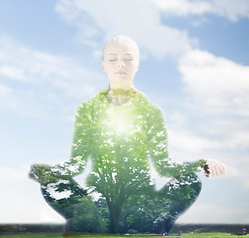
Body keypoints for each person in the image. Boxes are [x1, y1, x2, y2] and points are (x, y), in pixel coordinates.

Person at [29, 34, 226, 234]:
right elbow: (78, 162)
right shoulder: (87, 109)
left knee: (189, 181)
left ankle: (140, 222)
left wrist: (199, 164)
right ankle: (106, 221)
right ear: (104, 65)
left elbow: (163, 165)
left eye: (128, 59)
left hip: (140, 197)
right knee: (54, 184)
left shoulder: (151, 112)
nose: (120, 65)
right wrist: (50, 173)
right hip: (99, 194)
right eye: (113, 59)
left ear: (137, 65)